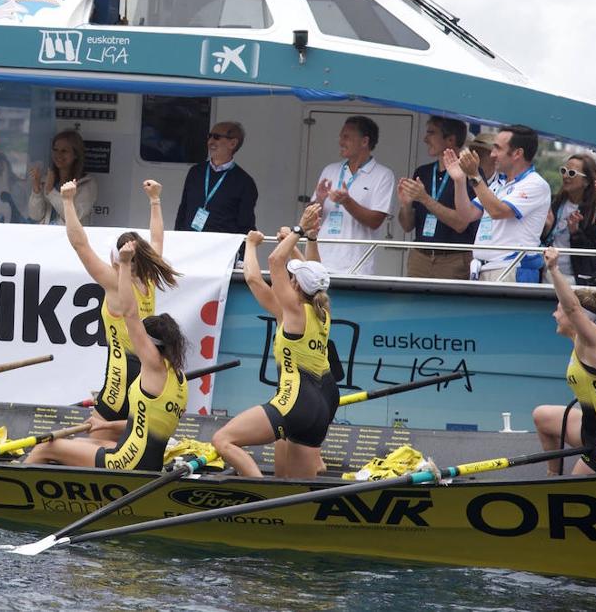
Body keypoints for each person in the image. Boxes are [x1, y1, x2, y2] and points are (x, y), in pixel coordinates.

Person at [25, 240, 188, 470]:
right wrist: (104, 427)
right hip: (148, 463)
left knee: (47, 446)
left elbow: (130, 312)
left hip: (126, 462)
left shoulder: (152, 365)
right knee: (82, 442)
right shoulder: (179, 378)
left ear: (150, 345)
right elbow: (143, 424)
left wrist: (123, 264)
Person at [63, 178, 180, 441]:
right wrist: (155, 200)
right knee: (133, 442)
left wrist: (68, 202)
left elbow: (80, 244)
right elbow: (157, 237)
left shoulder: (114, 281)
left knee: (96, 445)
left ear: (118, 258)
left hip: (122, 374)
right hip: (149, 371)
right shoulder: (150, 274)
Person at [212, 226, 333, 477]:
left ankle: (257, 492)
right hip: (324, 403)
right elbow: (314, 272)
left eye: (293, 278)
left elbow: (264, 270)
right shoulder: (322, 311)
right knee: (294, 488)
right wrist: (297, 242)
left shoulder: (292, 312)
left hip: (295, 400)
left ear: (295, 286)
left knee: (223, 440)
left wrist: (253, 244)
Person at [532, 247, 596, 475]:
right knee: (543, 416)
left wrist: (554, 269)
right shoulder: (583, 342)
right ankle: (552, 477)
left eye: (558, 310)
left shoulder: (592, 343)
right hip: (591, 429)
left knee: (572, 499)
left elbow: (572, 306)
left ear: (578, 319)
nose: (554, 315)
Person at [449, 125, 550, 283]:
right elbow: (466, 215)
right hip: (483, 269)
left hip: (511, 269)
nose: (492, 154)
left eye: (497, 148)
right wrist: (459, 180)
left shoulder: (535, 184)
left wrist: (475, 176)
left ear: (517, 153)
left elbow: (498, 212)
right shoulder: (499, 183)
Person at [311, 116, 395, 275]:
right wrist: (320, 200)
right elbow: (310, 217)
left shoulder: (383, 175)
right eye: (341, 136)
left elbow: (375, 221)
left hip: (356, 267)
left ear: (364, 142)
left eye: (346, 137)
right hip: (320, 262)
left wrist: (347, 202)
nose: (340, 142)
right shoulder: (330, 170)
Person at [397, 116, 478, 279]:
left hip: (454, 260)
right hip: (420, 257)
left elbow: (461, 224)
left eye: (431, 133)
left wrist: (425, 198)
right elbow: (407, 227)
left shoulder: (471, 175)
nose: (425, 139)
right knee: (414, 304)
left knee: (447, 305)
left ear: (450, 140)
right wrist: (406, 205)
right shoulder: (422, 172)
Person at [174, 121, 258, 236]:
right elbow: (183, 210)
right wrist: (178, 238)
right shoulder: (195, 172)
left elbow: (245, 225)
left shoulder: (245, 182)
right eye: (209, 136)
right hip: (191, 242)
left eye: (216, 137)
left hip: (221, 248)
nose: (210, 141)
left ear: (233, 143)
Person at [541, 153, 596, 283]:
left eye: (572, 173)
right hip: (547, 272)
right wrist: (547, 228)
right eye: (564, 171)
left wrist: (575, 232)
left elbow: (594, 249)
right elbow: (540, 238)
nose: (565, 176)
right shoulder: (553, 203)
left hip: (575, 279)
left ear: (586, 181)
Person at [28, 129, 97, 225]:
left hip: (70, 239)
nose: (58, 154)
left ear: (76, 154)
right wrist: (36, 190)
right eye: (55, 150)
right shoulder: (47, 179)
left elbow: (75, 216)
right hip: (46, 238)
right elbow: (35, 215)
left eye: (64, 151)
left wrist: (50, 192)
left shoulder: (87, 184)